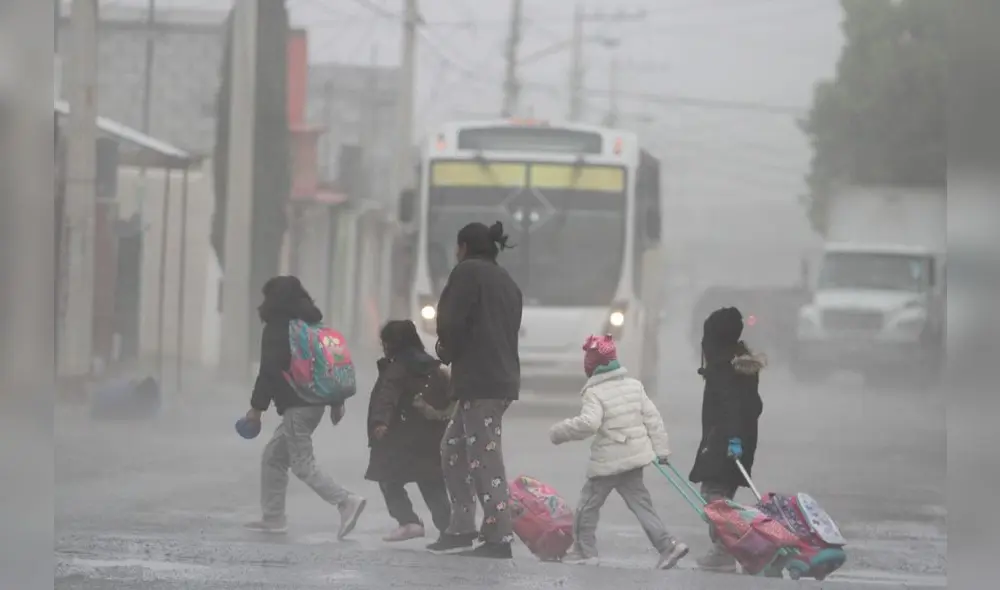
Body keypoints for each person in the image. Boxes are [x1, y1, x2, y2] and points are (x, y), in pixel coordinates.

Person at [549, 334, 689, 569]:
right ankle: (668, 546)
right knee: (642, 505)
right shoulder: (634, 386)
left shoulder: (594, 392)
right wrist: (661, 450)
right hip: (634, 459)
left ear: (592, 365)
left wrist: (560, 432)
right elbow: (653, 419)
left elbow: (589, 424)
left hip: (608, 463)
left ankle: (585, 550)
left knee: (587, 505)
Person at [242, 276, 367, 538]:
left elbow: (269, 371)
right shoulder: (311, 325)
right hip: (314, 403)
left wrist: (256, 409)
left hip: (297, 405)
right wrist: (336, 400)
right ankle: (273, 518)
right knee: (274, 457)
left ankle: (346, 501)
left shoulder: (278, 328)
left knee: (302, 464)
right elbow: (328, 365)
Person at [428, 221, 523, 559]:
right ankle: (462, 527)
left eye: (458, 248)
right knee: (452, 448)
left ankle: (498, 538)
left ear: (464, 247)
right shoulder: (506, 281)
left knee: (484, 457)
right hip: (496, 379)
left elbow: (450, 319)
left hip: (483, 380)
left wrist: (446, 351)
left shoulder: (467, 272)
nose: (456, 254)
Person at [688, 306, 767, 573]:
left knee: (714, 496)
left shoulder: (725, 369)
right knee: (720, 496)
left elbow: (733, 407)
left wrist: (732, 438)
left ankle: (726, 549)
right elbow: (754, 406)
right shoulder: (740, 365)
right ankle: (724, 549)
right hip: (733, 441)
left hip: (725, 442)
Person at [365, 320, 453, 543]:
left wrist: (379, 422)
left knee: (389, 479)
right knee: (432, 483)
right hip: (431, 437)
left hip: (399, 437)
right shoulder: (433, 368)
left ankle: (408, 521)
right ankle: (449, 529)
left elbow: (386, 397)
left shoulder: (396, 369)